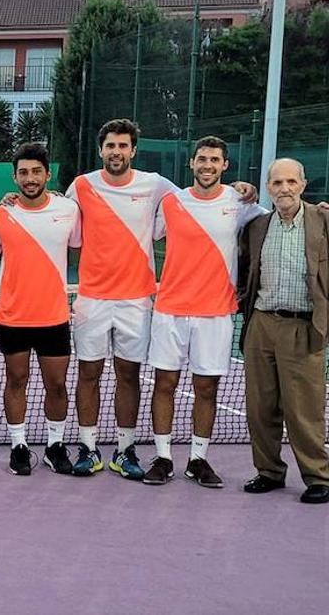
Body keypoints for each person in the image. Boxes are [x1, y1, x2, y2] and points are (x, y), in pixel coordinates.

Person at [65, 119, 258, 478]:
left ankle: (126, 451)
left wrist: (241, 189)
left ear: (133, 150)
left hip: (138, 299)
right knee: (87, 373)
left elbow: (200, 196)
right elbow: (62, 219)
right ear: (101, 150)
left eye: (123, 146)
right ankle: (88, 448)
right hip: (91, 297)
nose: (117, 152)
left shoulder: (157, 186)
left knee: (129, 376)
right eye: (111, 146)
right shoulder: (81, 186)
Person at [145, 136, 266, 488]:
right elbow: (145, 233)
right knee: (165, 384)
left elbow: (274, 221)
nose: (207, 165)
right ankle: (163, 457)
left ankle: (198, 459)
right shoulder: (171, 203)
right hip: (169, 309)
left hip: (216, 312)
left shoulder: (240, 203)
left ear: (225, 165)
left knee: (207, 388)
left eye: (214, 160)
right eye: (202, 159)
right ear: (192, 164)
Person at [0, 142, 81, 477]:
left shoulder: (68, 210)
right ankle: (18, 446)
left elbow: (81, 245)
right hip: (11, 316)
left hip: (53, 316)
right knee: (16, 380)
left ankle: (54, 446)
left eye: (36, 171)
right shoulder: (1, 214)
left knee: (57, 385)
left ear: (47, 174)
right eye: (23, 172)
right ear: (15, 177)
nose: (30, 178)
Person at [237, 158, 329, 504]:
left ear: (303, 185)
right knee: (260, 407)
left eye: (291, 181)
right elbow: (246, 270)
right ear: (269, 187)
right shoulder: (257, 226)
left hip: (304, 327)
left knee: (304, 409)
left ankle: (318, 477)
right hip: (261, 323)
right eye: (277, 183)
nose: (284, 189)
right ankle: (268, 472)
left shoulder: (323, 219)